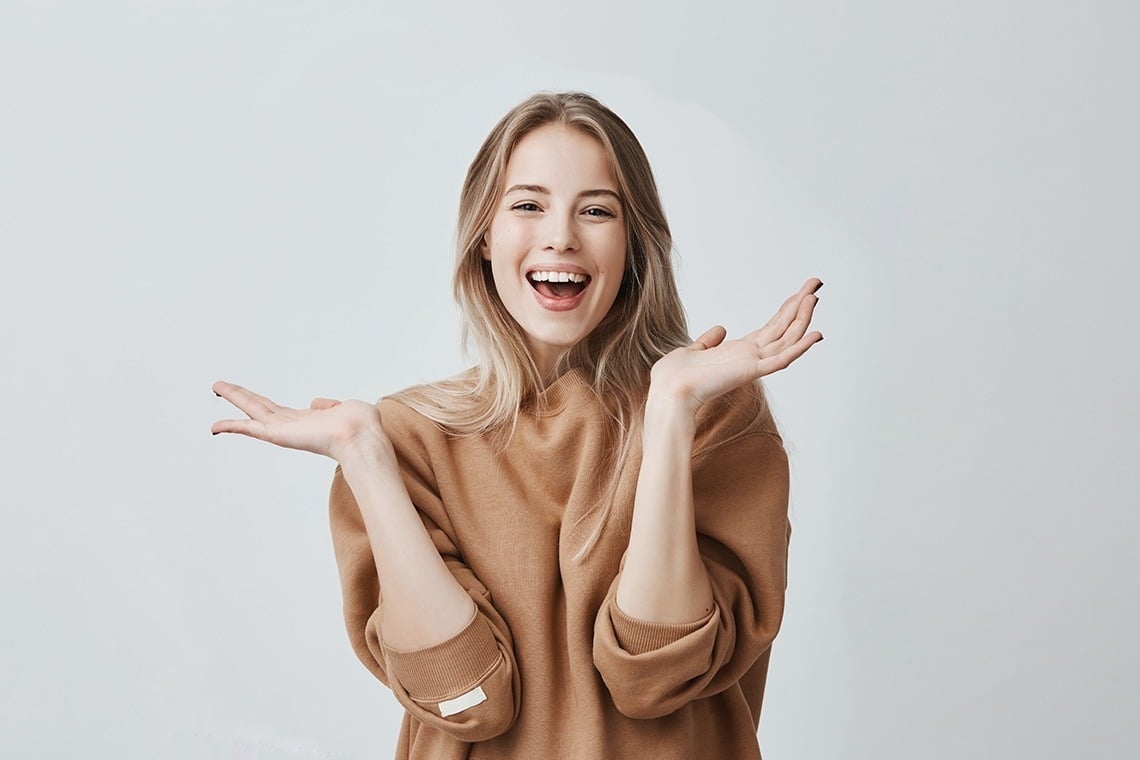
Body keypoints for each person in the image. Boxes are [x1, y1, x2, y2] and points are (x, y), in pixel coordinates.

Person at [212, 90, 823, 759]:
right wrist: (364, 456)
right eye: (528, 205)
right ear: (483, 238)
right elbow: (465, 698)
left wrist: (670, 411)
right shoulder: (407, 439)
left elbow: (656, 678)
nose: (561, 235)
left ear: (634, 245)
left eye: (595, 210)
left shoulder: (714, 412)